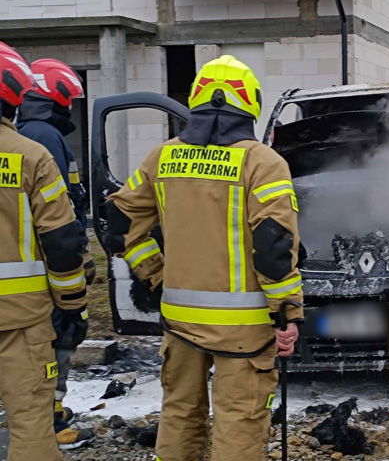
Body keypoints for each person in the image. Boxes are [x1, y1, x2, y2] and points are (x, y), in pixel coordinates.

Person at [106, 55, 303, 461]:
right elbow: (273, 246)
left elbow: (120, 223)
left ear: (196, 100)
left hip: (179, 320)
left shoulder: (161, 158)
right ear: (250, 103)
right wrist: (286, 312)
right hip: (244, 328)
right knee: (239, 419)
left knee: (179, 412)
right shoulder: (263, 162)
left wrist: (155, 274)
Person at [0, 45, 88, 460]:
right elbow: (61, 239)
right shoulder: (29, 154)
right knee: (32, 422)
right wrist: (72, 305)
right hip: (20, 316)